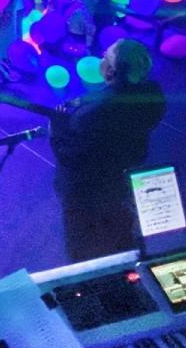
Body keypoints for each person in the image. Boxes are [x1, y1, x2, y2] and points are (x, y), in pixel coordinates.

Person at [48, 38, 166, 261]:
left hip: (85, 186)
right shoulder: (153, 92)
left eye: (106, 57)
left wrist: (57, 126)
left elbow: (68, 154)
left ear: (111, 70)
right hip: (124, 171)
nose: (101, 60)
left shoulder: (92, 114)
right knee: (118, 228)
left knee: (82, 240)